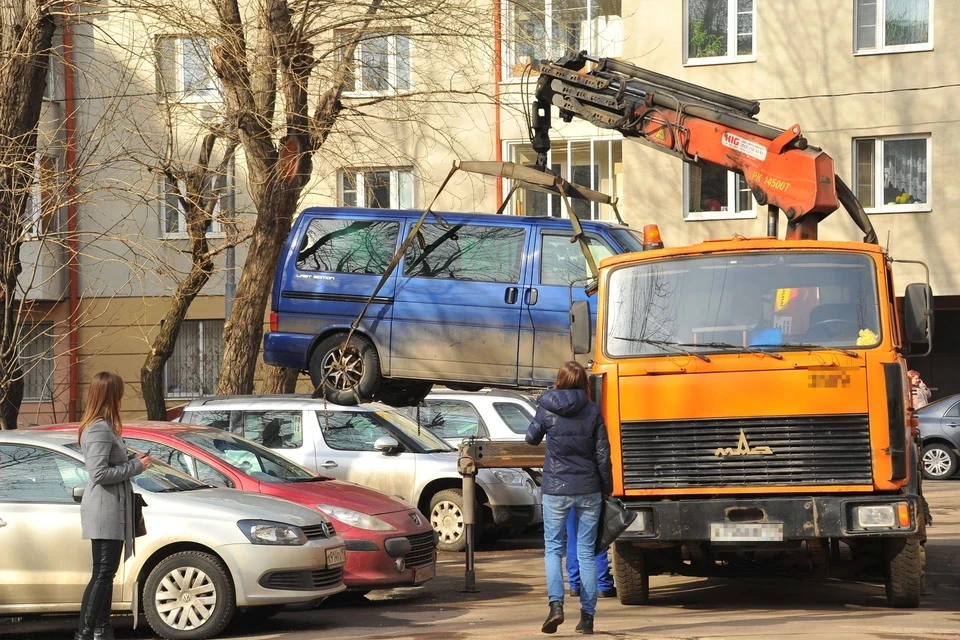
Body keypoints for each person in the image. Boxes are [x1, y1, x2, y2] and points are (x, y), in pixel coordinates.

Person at [526, 361, 613, 635]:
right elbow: (603, 454)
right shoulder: (592, 410)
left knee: (553, 549)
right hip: (588, 489)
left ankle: (556, 606)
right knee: (586, 552)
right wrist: (606, 488)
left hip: (555, 489)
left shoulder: (547, 407)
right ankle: (587, 618)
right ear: (585, 383)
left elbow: (530, 438)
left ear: (559, 381)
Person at [76, 372, 151, 640]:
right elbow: (98, 473)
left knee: (105, 573)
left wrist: (132, 457)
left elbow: (110, 461)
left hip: (110, 508)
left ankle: (100, 630)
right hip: (105, 508)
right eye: (119, 393)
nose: (122, 398)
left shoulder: (104, 426)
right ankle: (85, 632)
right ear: (111, 395)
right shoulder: (98, 428)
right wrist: (136, 466)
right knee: (103, 573)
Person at [566, 511, 616, 598]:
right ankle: (603, 585)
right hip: (589, 500)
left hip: (566, 500)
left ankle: (575, 585)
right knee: (598, 540)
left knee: (573, 540)